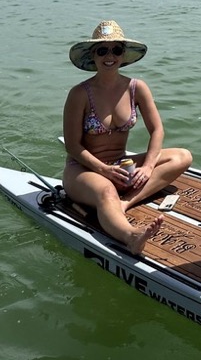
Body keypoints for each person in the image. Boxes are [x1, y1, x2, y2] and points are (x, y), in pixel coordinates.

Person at [62, 20, 193, 254]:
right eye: (102, 50)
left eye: (116, 50)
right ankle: (131, 236)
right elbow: (72, 146)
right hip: (83, 171)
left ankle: (125, 203)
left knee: (182, 156)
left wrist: (148, 167)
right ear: (93, 55)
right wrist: (103, 170)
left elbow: (157, 130)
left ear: (124, 55)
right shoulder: (79, 93)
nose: (109, 56)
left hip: (122, 166)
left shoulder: (136, 87)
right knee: (106, 191)